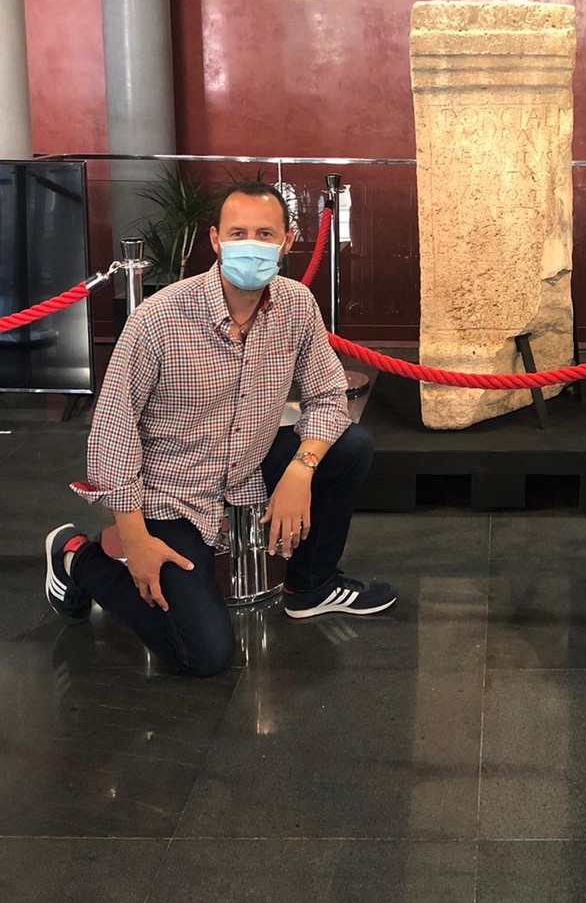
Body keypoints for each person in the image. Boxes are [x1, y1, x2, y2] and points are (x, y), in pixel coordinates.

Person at [44, 181, 396, 676]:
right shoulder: (160, 318)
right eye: (238, 232)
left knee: (350, 447)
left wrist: (300, 470)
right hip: (169, 488)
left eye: (264, 233)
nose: (250, 244)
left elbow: (327, 396)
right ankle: (76, 557)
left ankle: (310, 586)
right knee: (202, 654)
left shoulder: (296, 305)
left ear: (287, 241)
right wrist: (135, 533)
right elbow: (111, 428)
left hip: (246, 460)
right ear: (215, 240)